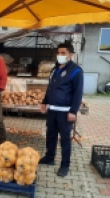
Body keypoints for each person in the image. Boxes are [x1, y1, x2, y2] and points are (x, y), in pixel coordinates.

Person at [38, 43, 84, 177]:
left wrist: (73, 111)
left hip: (65, 111)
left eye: (63, 53)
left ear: (71, 55)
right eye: (59, 53)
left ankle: (65, 165)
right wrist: (44, 102)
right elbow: (50, 88)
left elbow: (78, 93)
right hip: (52, 109)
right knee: (50, 135)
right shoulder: (55, 69)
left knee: (64, 139)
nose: (60, 55)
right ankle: (49, 157)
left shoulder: (76, 71)